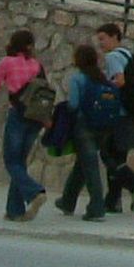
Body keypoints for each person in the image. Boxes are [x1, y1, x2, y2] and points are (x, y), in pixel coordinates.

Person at [0, 29, 48, 222]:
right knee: (20, 163)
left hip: (18, 114)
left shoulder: (7, 62)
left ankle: (34, 191)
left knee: (11, 161)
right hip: (36, 118)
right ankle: (15, 210)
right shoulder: (37, 65)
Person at [54, 45, 109, 221]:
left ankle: (97, 208)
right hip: (102, 127)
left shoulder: (77, 78)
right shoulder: (102, 78)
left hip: (83, 125)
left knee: (90, 167)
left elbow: (74, 105)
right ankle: (67, 201)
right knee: (83, 165)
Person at [94, 22, 134, 212]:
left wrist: (104, 86)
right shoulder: (127, 54)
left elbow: (120, 81)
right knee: (118, 155)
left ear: (114, 36)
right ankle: (113, 201)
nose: (101, 43)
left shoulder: (113, 57)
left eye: (103, 39)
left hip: (118, 113)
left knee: (107, 154)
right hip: (130, 112)